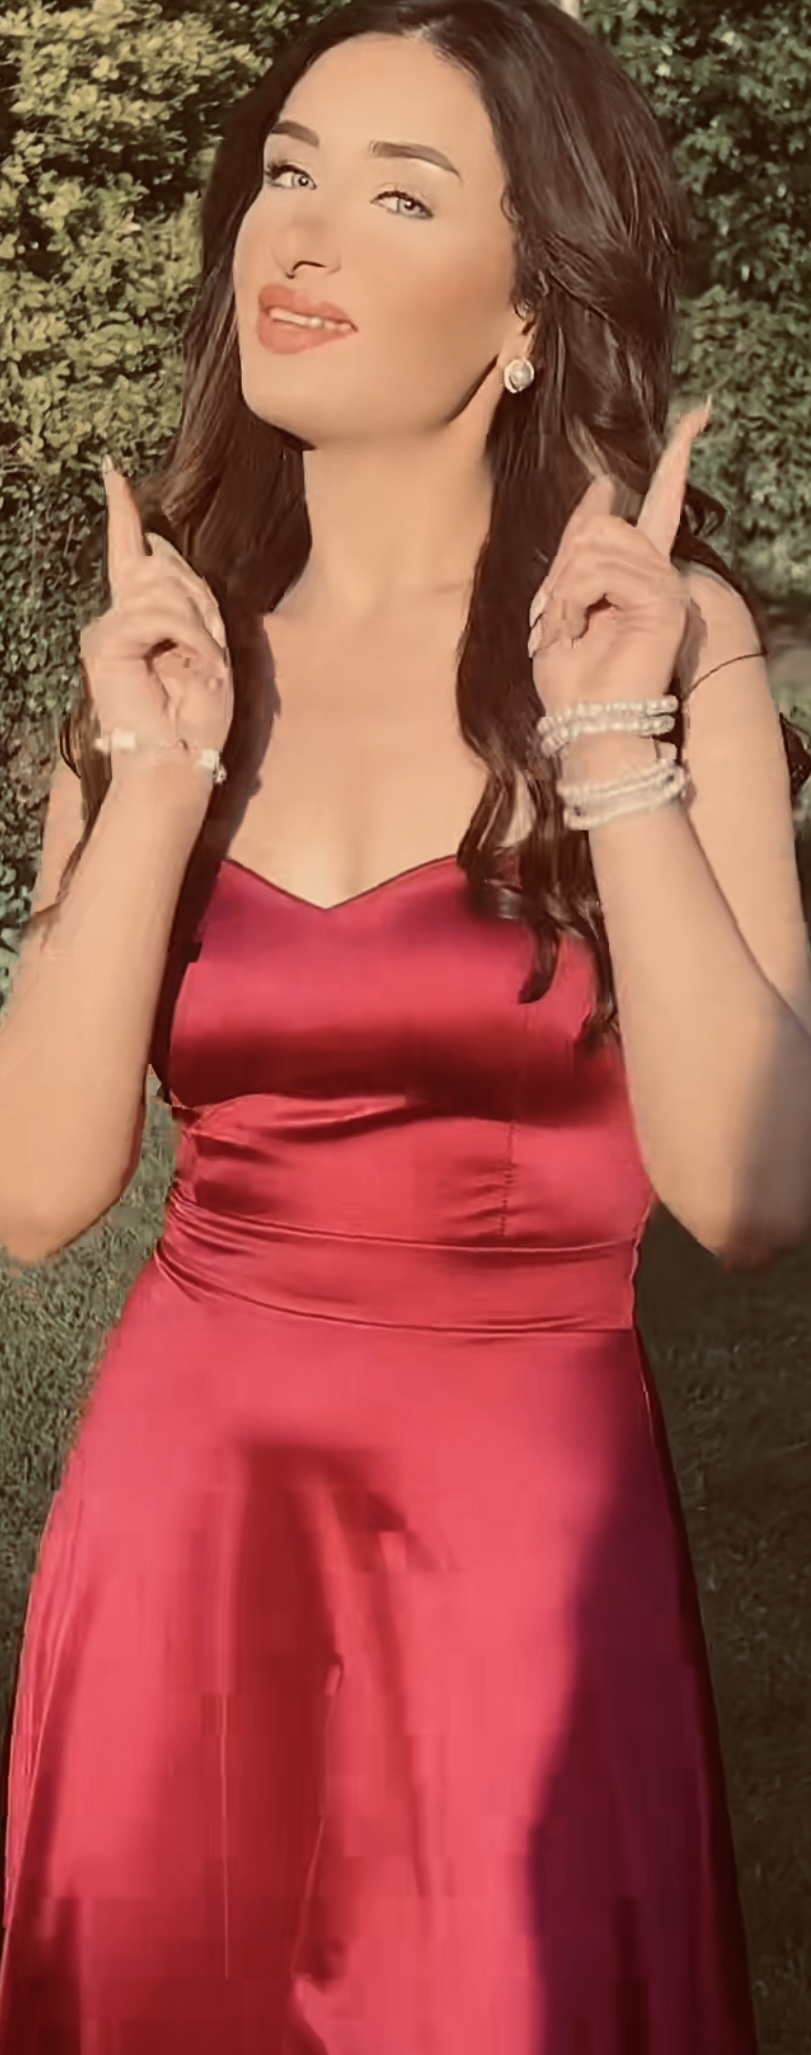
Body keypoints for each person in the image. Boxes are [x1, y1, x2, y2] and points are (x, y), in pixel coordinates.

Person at [1, 0, 810, 2046]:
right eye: (287, 173)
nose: (304, 232)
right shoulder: (160, 652)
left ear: (532, 315)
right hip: (183, 1523)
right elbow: (33, 1191)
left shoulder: (667, 641)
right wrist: (153, 775)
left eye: (399, 194)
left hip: (521, 1542)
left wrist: (612, 745)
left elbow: (750, 1195)